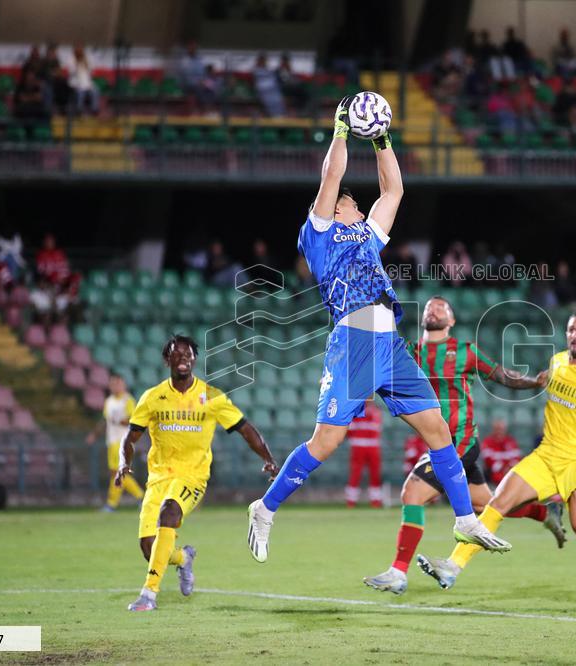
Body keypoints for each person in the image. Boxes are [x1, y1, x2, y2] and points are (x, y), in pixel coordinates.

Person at [245, 97, 510, 566]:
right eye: (349, 200)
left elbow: (394, 191)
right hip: (354, 340)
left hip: (390, 343)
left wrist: (382, 137)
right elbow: (331, 176)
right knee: (326, 442)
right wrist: (343, 129)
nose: (354, 201)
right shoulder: (320, 232)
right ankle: (265, 509)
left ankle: (465, 516)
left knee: (438, 431)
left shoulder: (367, 234)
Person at [416, 311, 576, 609]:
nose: (575, 335)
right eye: (571, 329)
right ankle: (452, 567)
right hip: (547, 454)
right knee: (498, 502)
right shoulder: (558, 362)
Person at [363, 296, 557, 595]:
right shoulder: (411, 352)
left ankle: (398, 573)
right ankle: (546, 513)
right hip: (438, 443)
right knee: (488, 504)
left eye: (441, 307)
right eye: (429, 307)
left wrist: (533, 382)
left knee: (412, 493)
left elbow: (500, 375)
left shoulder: (465, 351)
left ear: (451, 321)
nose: (434, 309)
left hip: (460, 442)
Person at [121, 335, 278, 611]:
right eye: (177, 354)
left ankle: (148, 594)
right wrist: (124, 461)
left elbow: (245, 427)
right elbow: (130, 437)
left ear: (195, 360)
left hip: (192, 477)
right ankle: (183, 558)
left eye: (189, 354)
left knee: (169, 513)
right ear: (166, 360)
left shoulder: (211, 396)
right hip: (158, 479)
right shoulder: (152, 397)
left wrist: (267, 458)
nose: (183, 358)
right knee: (149, 548)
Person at [86, 374, 145, 512]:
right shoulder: (109, 401)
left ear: (123, 385)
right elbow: (105, 421)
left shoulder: (128, 400)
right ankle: (119, 501)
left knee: (117, 472)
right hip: (112, 441)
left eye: (118, 383)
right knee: (115, 473)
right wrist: (94, 435)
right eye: (113, 384)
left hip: (124, 440)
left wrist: (120, 421)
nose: (115, 386)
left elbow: (133, 419)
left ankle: (116, 502)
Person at [345, 397, 384, 508]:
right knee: (356, 473)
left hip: (370, 445)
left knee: (374, 473)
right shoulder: (359, 412)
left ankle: (375, 500)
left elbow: (375, 429)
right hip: (361, 445)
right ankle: (351, 500)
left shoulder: (372, 412)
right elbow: (350, 430)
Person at [481, 419, 522, 485]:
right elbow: (488, 460)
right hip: (495, 472)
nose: (499, 431)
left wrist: (509, 467)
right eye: (497, 429)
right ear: (493, 429)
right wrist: (503, 467)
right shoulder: (487, 442)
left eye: (501, 429)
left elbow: (516, 457)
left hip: (510, 470)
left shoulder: (511, 441)